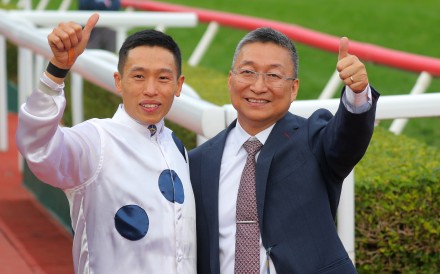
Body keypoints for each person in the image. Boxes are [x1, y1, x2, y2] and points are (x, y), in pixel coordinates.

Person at [189, 27, 380, 273]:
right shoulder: (198, 162)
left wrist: (357, 93)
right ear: (230, 80)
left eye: (273, 75)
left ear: (294, 88)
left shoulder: (314, 140)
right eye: (247, 72)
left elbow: (346, 139)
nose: (258, 86)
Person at [16, 13, 196, 273]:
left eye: (163, 78)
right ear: (118, 81)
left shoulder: (177, 147)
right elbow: (37, 147)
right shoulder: (95, 140)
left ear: (179, 85)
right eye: (138, 76)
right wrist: (56, 70)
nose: (151, 89)